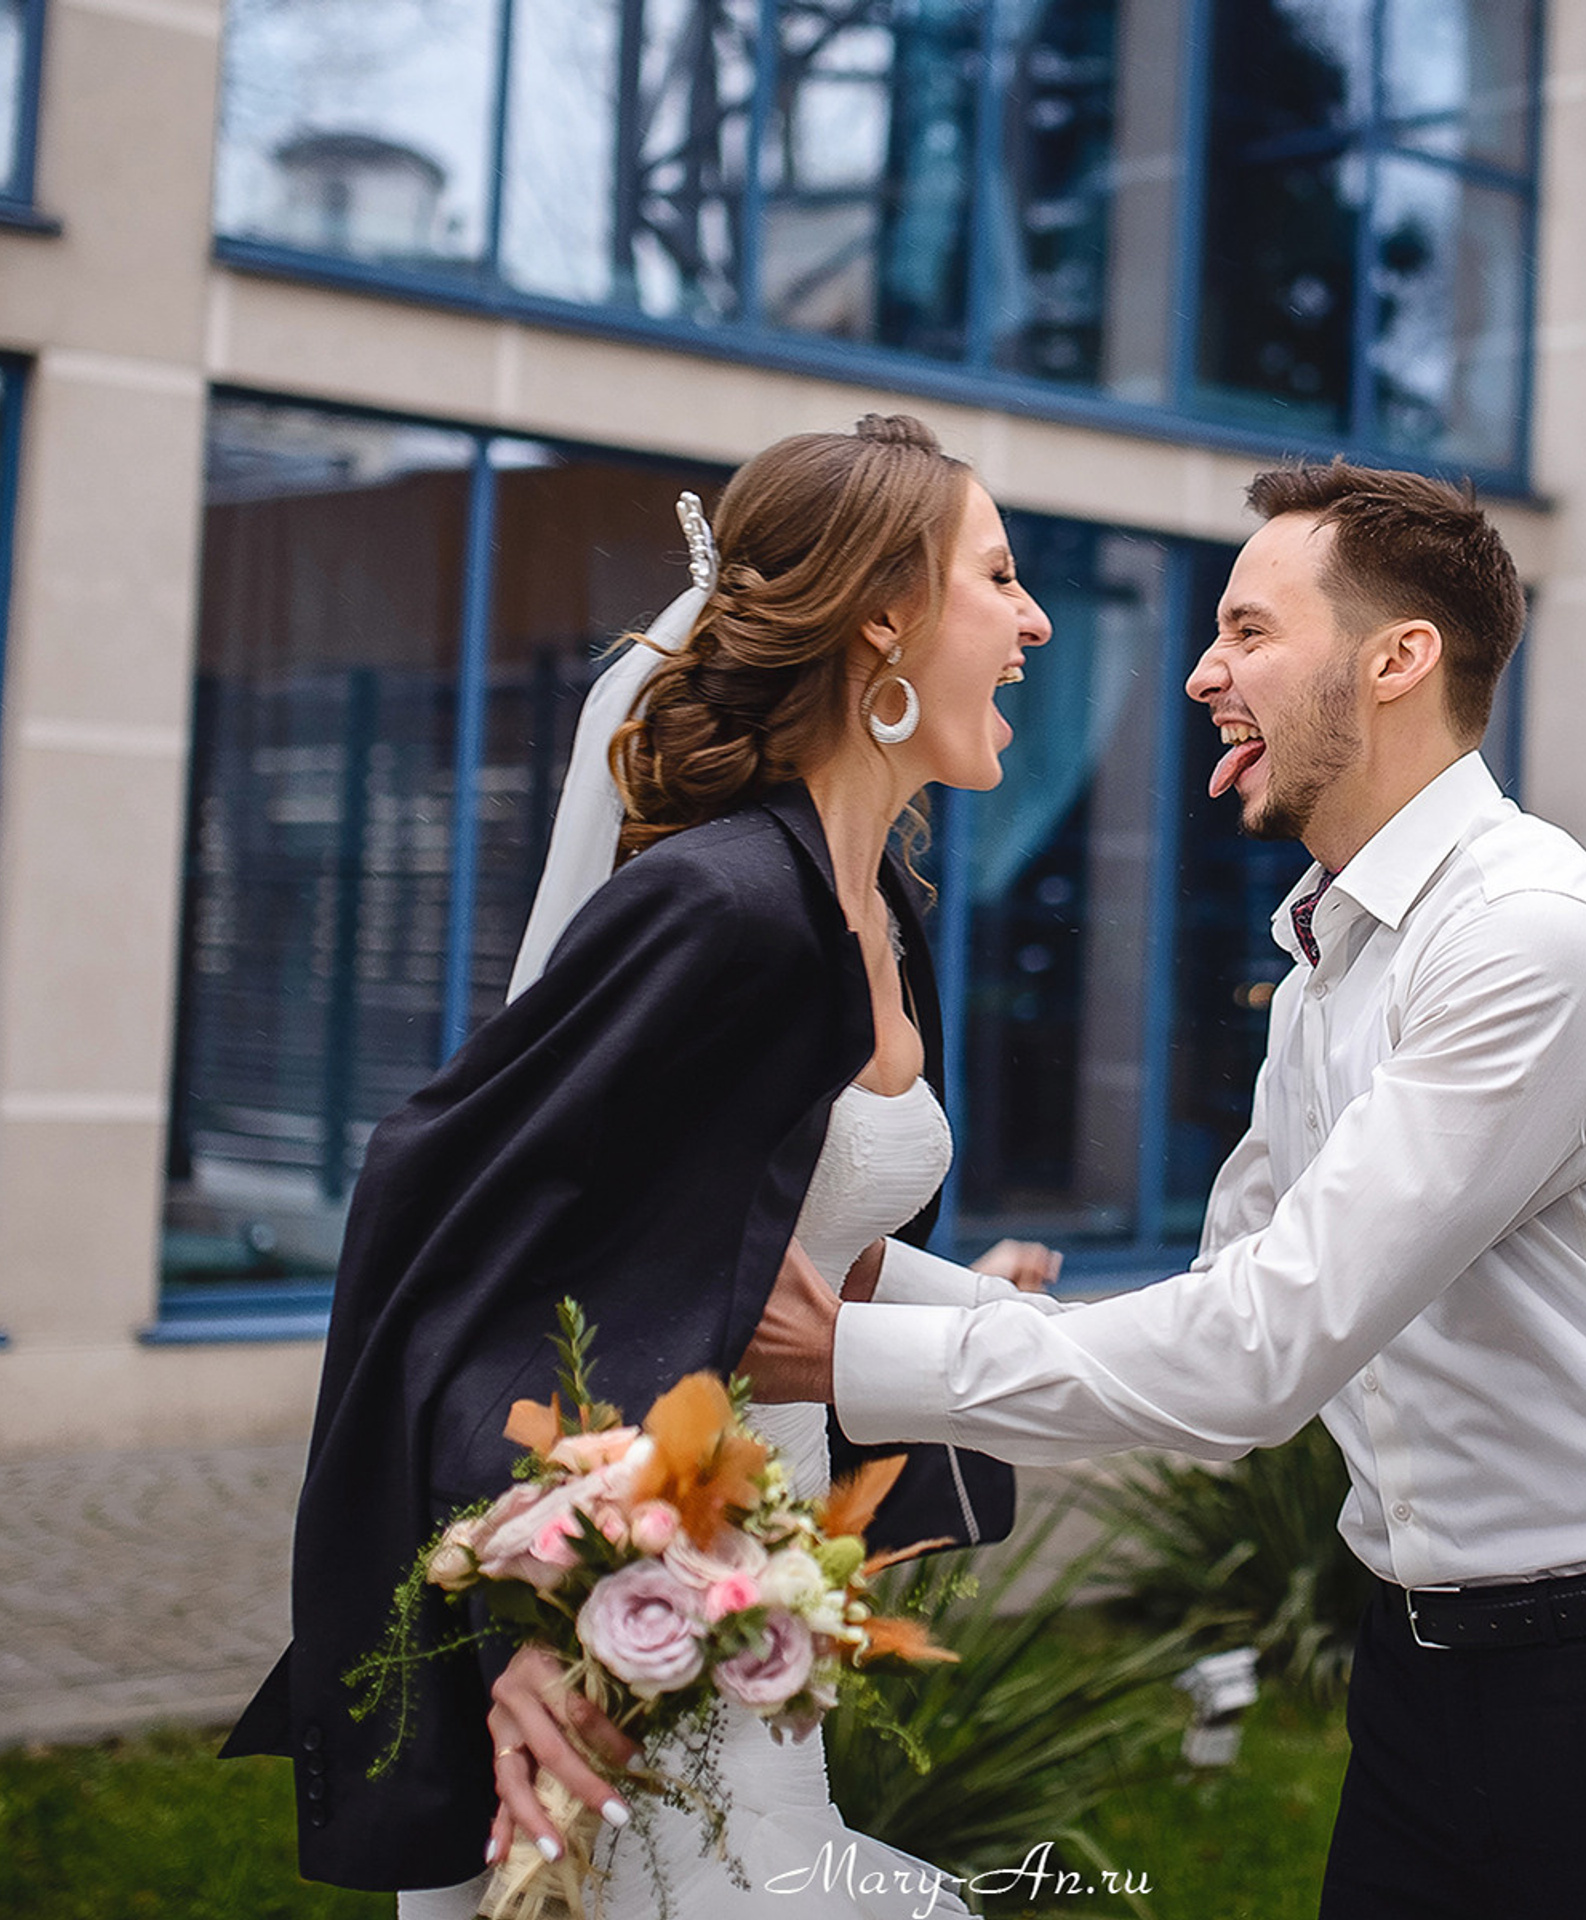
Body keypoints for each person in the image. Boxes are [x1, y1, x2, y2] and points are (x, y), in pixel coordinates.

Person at [742, 461, 1586, 1920]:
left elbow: (1257, 1358)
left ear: (1400, 661)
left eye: (1250, 632)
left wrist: (844, 1353)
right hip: (1431, 1665)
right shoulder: (1331, 954)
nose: (1204, 672)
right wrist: (885, 1284)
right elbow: (1234, 1302)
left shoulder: (1528, 939)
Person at [221, 413, 1056, 1917]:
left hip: (763, 1599)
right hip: (639, 1630)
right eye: (1000, 576)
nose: (1034, 620)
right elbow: (464, 1238)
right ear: (886, 613)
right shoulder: (724, 908)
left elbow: (761, 1245)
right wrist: (544, 1594)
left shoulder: (878, 911)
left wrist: (981, 1320)